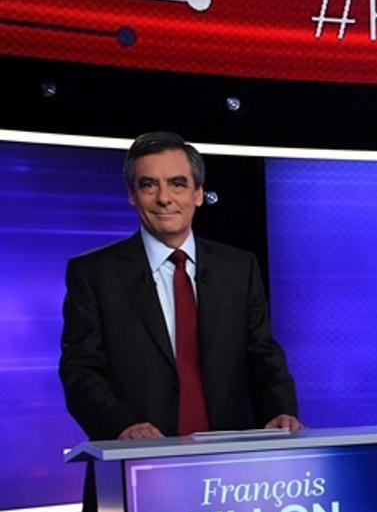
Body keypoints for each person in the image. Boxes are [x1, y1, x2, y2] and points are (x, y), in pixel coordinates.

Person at [60, 131, 303, 442]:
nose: (164, 198)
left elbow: (262, 354)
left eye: (177, 183)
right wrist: (121, 427)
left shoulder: (239, 268)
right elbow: (81, 370)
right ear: (132, 195)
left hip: (227, 460)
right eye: (149, 185)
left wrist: (279, 411)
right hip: (135, 458)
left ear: (198, 193)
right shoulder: (94, 273)